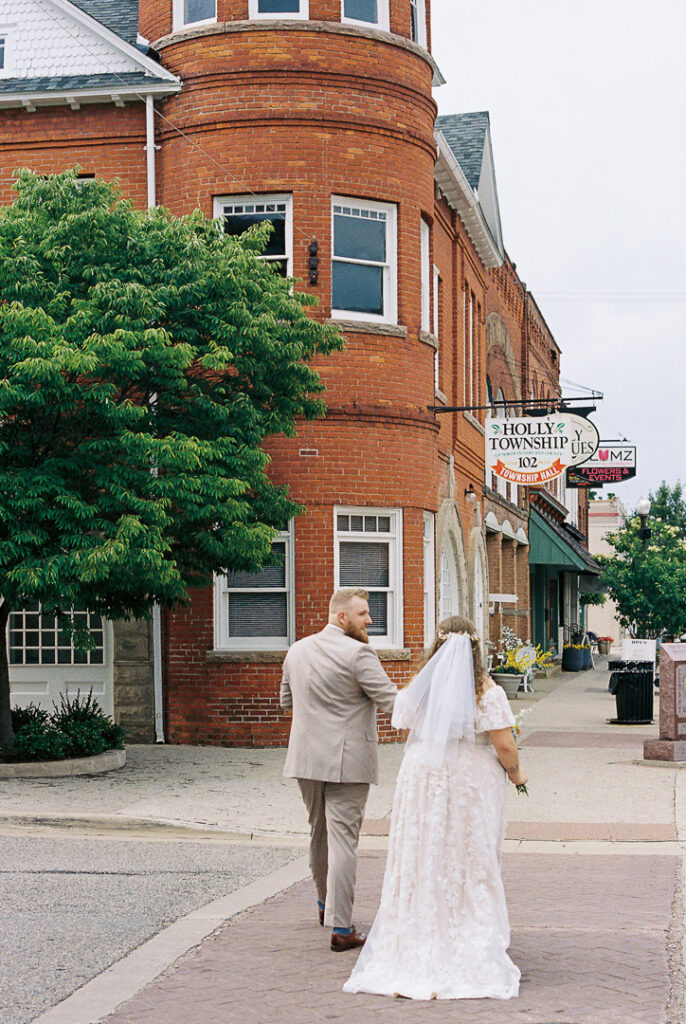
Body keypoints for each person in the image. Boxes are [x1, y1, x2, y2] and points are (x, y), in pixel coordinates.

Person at [343, 615, 526, 1000]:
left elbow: (405, 727)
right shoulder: (488, 694)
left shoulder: (419, 690)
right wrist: (517, 774)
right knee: (467, 855)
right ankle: (466, 933)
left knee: (423, 851)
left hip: (422, 775)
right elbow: (505, 745)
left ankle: (416, 932)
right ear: (476, 650)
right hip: (469, 779)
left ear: (436, 648)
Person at [280, 587, 397, 952]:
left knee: (319, 833)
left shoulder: (296, 650)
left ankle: (323, 906)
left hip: (306, 759)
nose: (370, 620)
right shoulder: (359, 653)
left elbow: (286, 701)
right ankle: (342, 928)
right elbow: (392, 702)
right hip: (348, 760)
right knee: (344, 840)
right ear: (341, 616)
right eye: (363, 614)